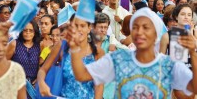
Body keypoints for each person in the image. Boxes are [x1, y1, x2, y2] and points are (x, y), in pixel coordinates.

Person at [67, 7, 197, 98]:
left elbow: (193, 88)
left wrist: (193, 53)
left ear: (156, 33)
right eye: (135, 27)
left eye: (146, 28)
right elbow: (82, 75)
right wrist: (75, 48)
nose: (139, 32)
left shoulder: (168, 65)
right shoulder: (118, 59)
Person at [37, 16, 105, 98]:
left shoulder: (98, 52)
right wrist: (41, 83)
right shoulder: (62, 46)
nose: (79, 29)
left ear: (89, 28)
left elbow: (99, 86)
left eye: (82, 26)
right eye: (75, 26)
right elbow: (43, 70)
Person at [7, 20, 41, 87]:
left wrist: (39, 78)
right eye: (25, 30)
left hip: (33, 85)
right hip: (16, 83)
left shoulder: (39, 45)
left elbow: (42, 65)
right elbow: (4, 62)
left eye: (31, 30)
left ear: (35, 32)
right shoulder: (14, 44)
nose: (28, 33)